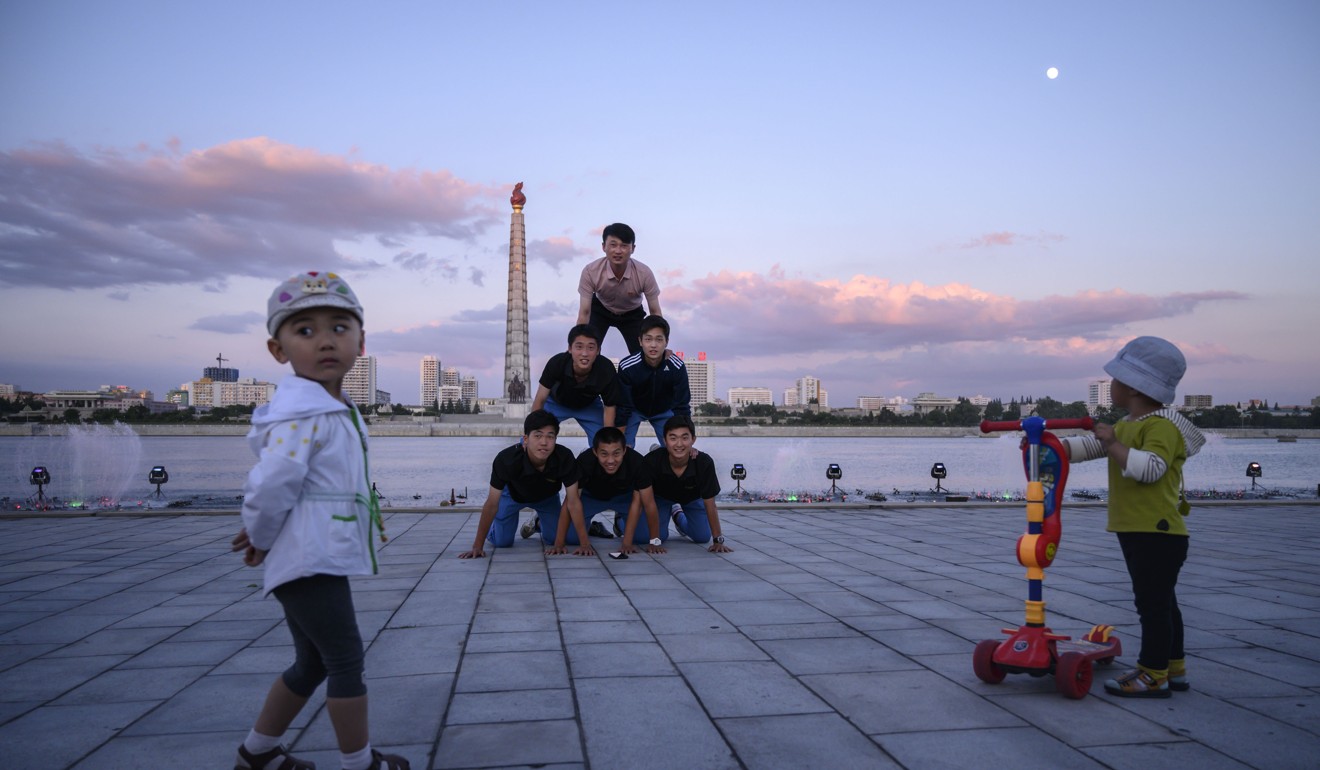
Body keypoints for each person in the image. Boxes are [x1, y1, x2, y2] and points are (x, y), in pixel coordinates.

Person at [229, 271, 409, 770]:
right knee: (346, 660)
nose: (325, 340)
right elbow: (273, 482)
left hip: (314, 552)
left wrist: (267, 530)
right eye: (304, 330)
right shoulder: (302, 413)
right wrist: (263, 537)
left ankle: (257, 754)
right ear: (277, 349)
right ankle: (360, 764)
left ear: (361, 341)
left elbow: (291, 487)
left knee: (310, 663)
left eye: (339, 327)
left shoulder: (332, 407)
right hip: (308, 559)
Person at [1058, 336, 1205, 699]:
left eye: (1116, 379)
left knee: (1152, 606)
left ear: (1134, 388)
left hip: (1157, 532)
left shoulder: (1161, 428)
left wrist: (1112, 444)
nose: (1111, 386)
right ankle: (1174, 668)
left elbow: (1150, 468)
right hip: (1138, 530)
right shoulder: (1128, 426)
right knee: (1163, 602)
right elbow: (1088, 447)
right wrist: (1050, 446)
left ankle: (1152, 674)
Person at [458, 409, 595, 558]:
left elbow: (573, 501)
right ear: (525, 439)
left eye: (550, 436)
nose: (544, 442)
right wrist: (477, 546)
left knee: (554, 539)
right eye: (537, 436)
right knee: (502, 542)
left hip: (547, 498)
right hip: (512, 496)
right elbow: (491, 503)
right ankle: (497, 527)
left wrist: (585, 544)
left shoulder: (564, 457)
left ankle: (537, 523)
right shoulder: (506, 460)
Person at [562, 426, 666, 554]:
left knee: (643, 538)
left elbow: (647, 504)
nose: (610, 460)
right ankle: (591, 527)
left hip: (625, 498)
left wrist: (645, 543)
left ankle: (619, 523)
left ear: (624, 450)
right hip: (591, 497)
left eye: (616, 453)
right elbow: (570, 502)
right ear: (595, 452)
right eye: (604, 454)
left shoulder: (637, 462)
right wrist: (562, 544)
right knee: (570, 538)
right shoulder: (585, 461)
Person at [644, 415, 733, 553]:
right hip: (661, 498)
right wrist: (655, 541)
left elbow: (710, 504)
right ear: (665, 441)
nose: (679, 444)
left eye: (685, 438)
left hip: (691, 498)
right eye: (673, 438)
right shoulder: (651, 461)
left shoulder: (704, 462)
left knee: (702, 537)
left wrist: (718, 540)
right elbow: (648, 502)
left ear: (693, 439)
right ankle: (620, 520)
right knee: (657, 536)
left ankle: (678, 515)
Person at [531, 324, 623, 449]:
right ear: (570, 348)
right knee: (531, 442)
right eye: (579, 347)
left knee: (605, 445)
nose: (584, 353)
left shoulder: (606, 369)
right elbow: (540, 399)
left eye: (591, 347)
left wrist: (607, 439)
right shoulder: (556, 363)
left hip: (589, 405)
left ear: (598, 351)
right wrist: (532, 431)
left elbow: (610, 407)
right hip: (556, 403)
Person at [576, 222, 662, 355]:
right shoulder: (590, 271)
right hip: (601, 309)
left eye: (624, 246)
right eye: (613, 245)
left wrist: (659, 344)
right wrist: (577, 344)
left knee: (643, 355)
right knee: (588, 350)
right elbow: (584, 313)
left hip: (632, 313)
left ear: (632, 248)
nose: (618, 251)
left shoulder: (644, 273)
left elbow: (655, 312)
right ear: (604, 247)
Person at [615, 315, 692, 449]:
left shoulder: (677, 366)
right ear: (640, 341)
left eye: (659, 339)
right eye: (648, 339)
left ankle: (657, 450)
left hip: (664, 410)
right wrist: (617, 441)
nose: (653, 345)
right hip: (635, 409)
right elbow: (623, 405)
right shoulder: (627, 366)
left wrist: (688, 440)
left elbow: (682, 405)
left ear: (666, 342)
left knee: (676, 449)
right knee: (624, 450)